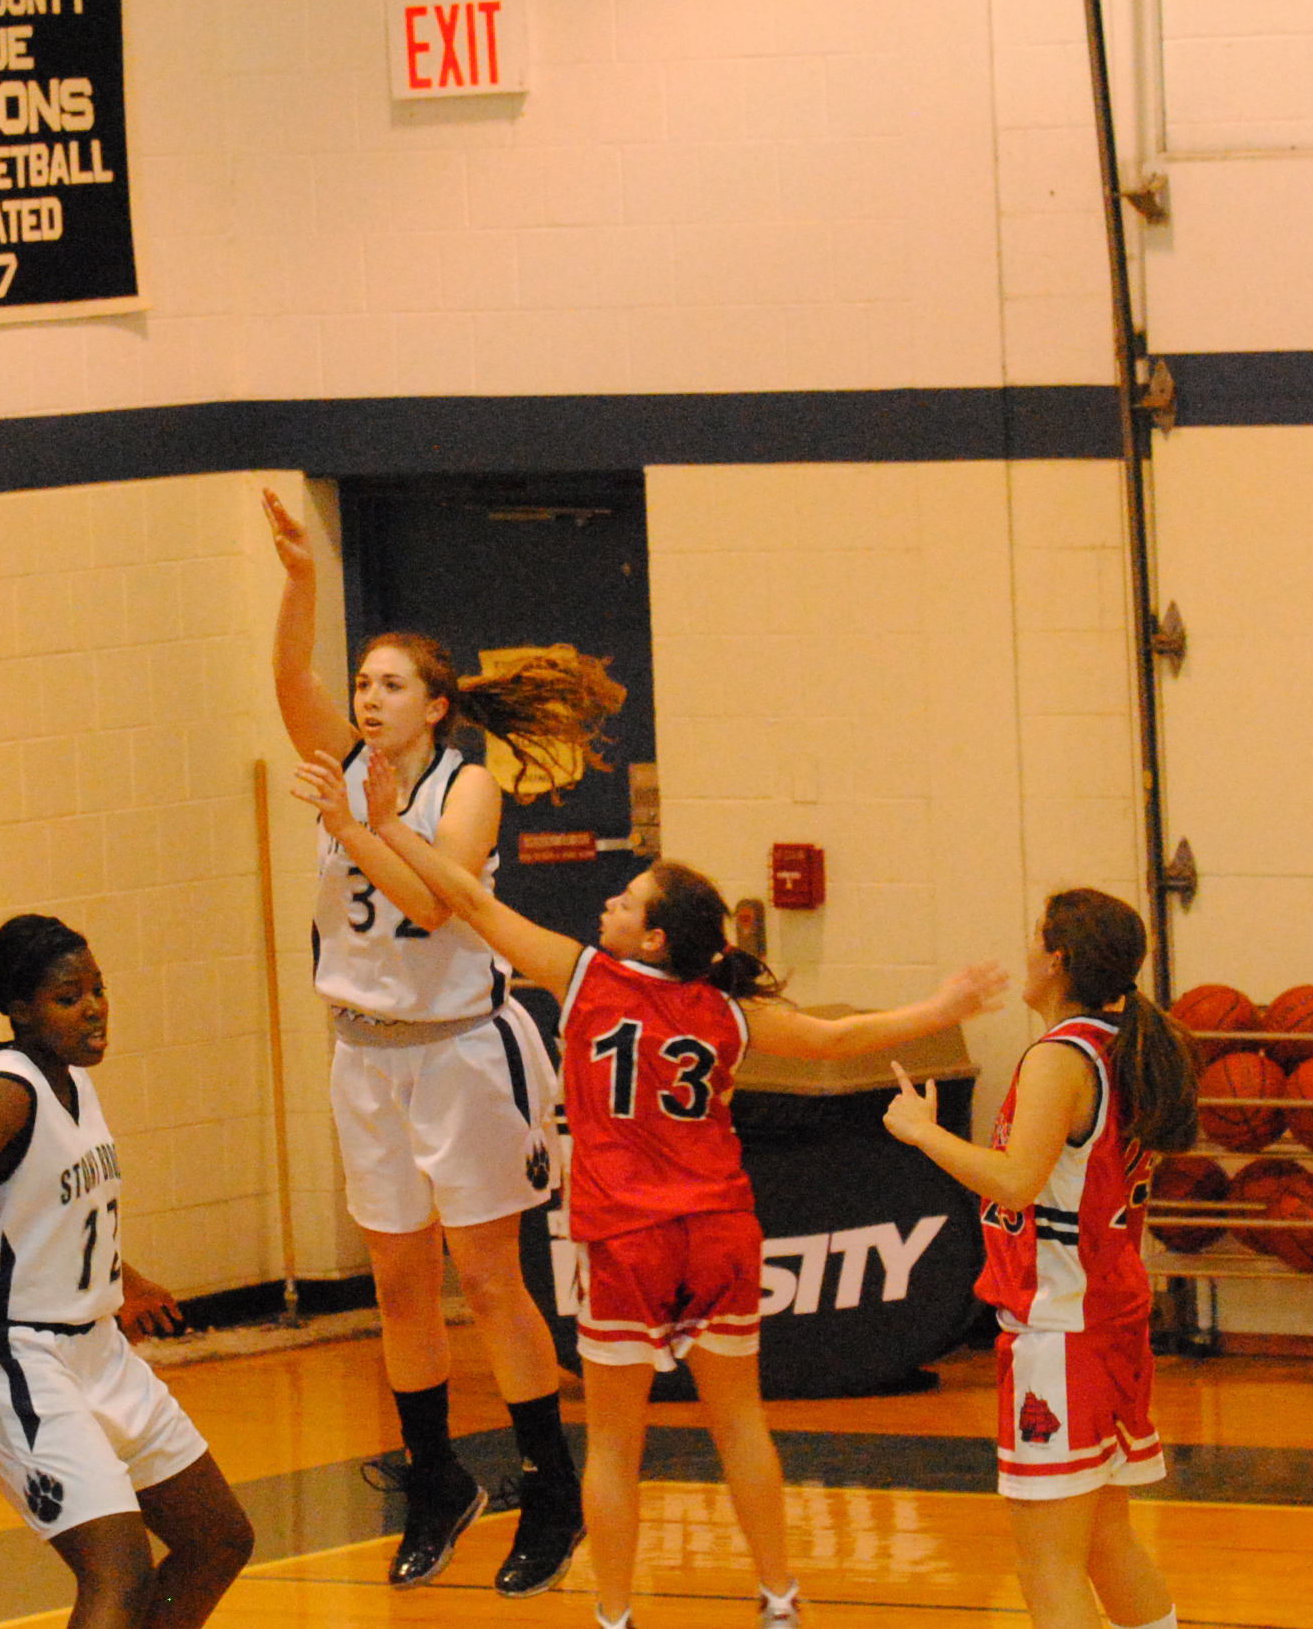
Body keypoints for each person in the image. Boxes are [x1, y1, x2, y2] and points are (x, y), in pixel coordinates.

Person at [324, 770, 1006, 1629]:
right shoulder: (727, 1012)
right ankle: (779, 1598)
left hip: (627, 1238)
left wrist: (386, 826)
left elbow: (467, 897)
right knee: (741, 1424)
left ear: (650, 937)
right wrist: (940, 1007)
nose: (608, 901)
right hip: (716, 1230)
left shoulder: (583, 977)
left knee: (615, 1444)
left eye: (627, 899)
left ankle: (614, 1614)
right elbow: (836, 1039)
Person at [261, 487, 626, 1594]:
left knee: (489, 1279)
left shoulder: (469, 789)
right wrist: (301, 581)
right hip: (363, 1052)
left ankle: (550, 1491)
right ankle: (436, 1481)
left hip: (463, 1049)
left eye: (389, 685)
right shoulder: (345, 761)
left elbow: (430, 903)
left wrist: (351, 825)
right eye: (361, 684)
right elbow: (287, 678)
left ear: (434, 705)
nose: (366, 698)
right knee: (397, 1281)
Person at [0, 915, 254, 1629]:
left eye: (99, 989)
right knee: (118, 1572)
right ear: (21, 1009)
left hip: (96, 1348)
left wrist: (125, 1279)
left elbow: (52, 1208)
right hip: (15, 1356)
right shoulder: (5, 1096)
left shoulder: (72, 1078)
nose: (94, 1008)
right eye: (69, 996)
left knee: (218, 1539)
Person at [882, 891, 1194, 1629]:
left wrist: (923, 1132)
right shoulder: (1123, 1046)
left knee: (1046, 1564)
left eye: (1033, 939)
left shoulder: (1063, 1056)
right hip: (1107, 1319)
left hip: (1062, 1332)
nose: (1025, 952)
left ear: (1056, 958)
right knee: (1106, 1542)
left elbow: (1016, 1181)